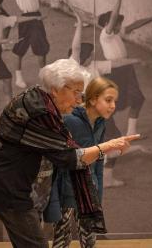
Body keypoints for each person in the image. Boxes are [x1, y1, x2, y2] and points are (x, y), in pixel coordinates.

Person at [0, 58, 140, 248]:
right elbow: (72, 158)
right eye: (76, 93)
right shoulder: (41, 115)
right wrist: (108, 146)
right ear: (56, 89)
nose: (79, 99)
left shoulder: (37, 97)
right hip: (12, 193)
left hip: (16, 188)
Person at [46, 76, 119, 248]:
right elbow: (57, 160)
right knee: (62, 240)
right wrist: (55, 200)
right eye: (108, 100)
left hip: (89, 193)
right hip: (67, 194)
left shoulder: (101, 123)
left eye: (114, 101)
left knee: (89, 242)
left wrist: (98, 194)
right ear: (93, 99)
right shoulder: (69, 120)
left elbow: (98, 162)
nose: (113, 106)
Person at [99, 0, 152, 137]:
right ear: (108, 24)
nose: (120, 25)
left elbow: (135, 24)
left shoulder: (117, 33)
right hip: (114, 72)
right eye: (116, 22)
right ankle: (101, 130)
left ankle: (131, 132)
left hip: (126, 69)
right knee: (113, 105)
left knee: (137, 99)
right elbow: (114, 16)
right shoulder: (106, 35)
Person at [11, 0, 79, 88]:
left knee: (41, 47)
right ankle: (18, 77)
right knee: (20, 48)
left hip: (37, 19)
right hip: (26, 19)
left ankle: (44, 74)